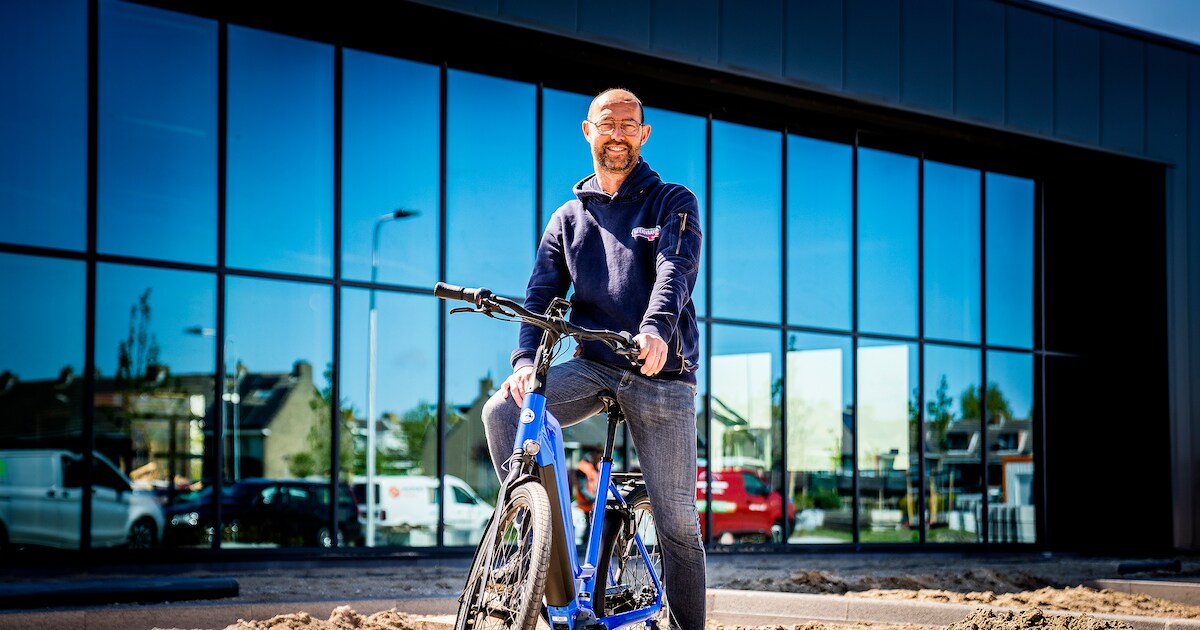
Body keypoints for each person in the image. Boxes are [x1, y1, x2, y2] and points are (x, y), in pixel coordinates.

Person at [481, 87, 705, 630]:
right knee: (504, 411)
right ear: (588, 131)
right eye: (609, 124)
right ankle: (540, 552)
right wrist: (524, 360)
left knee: (677, 523)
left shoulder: (673, 201)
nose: (619, 134)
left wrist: (653, 332)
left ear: (644, 134)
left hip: (661, 373)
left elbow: (676, 272)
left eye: (630, 126)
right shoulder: (568, 218)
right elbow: (540, 294)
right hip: (596, 364)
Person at [573, 447, 601, 544]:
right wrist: (596, 499)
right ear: (594, 454)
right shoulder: (583, 468)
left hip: (593, 505)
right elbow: (583, 489)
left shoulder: (596, 466)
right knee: (587, 533)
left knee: (592, 532)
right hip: (585, 506)